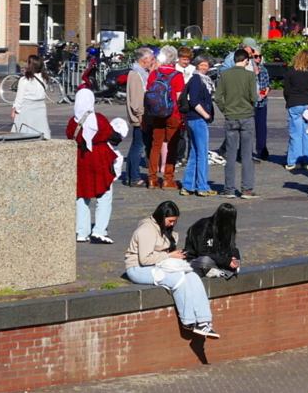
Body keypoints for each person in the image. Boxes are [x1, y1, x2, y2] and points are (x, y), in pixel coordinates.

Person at [125, 201, 220, 339]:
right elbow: (144, 259)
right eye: (170, 221)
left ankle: (204, 321)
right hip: (138, 269)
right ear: (161, 216)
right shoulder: (146, 230)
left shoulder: (164, 229)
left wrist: (174, 253)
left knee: (192, 276)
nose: (172, 224)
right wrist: (169, 255)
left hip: (158, 265)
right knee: (178, 279)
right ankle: (188, 321)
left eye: (174, 221)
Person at [67, 88, 118, 243]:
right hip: (100, 157)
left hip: (81, 159)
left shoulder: (73, 121)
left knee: (82, 195)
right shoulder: (99, 119)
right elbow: (110, 133)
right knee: (105, 193)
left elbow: (70, 136)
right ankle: (100, 230)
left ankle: (82, 231)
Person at [215, 48, 258, 199]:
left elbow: (218, 97)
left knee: (231, 155)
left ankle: (229, 189)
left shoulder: (224, 74)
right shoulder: (250, 75)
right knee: (246, 155)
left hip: (231, 116)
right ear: (246, 60)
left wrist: (225, 110)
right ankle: (246, 189)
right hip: (246, 116)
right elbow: (254, 97)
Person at [146, 46, 186, 190]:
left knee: (155, 146)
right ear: (174, 58)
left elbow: (148, 93)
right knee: (172, 146)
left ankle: (152, 178)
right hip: (173, 114)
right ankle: (168, 179)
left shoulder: (154, 74)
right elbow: (179, 97)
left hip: (156, 113)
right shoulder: (177, 75)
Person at [180, 55, 215, 198]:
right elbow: (194, 101)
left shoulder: (202, 80)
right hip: (197, 119)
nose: (204, 67)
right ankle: (202, 186)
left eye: (206, 65)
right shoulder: (196, 80)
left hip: (194, 119)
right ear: (196, 65)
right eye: (201, 65)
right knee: (202, 154)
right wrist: (206, 115)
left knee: (194, 153)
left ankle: (188, 186)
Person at [184, 203, 241, 279]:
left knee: (238, 252)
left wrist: (235, 261)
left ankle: (219, 271)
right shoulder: (203, 227)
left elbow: (232, 247)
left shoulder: (226, 230)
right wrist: (226, 261)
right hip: (196, 261)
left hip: (217, 260)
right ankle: (223, 271)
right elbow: (202, 252)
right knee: (206, 260)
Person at [125, 48, 155, 186]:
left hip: (142, 115)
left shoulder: (141, 72)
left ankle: (131, 176)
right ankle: (134, 176)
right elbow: (136, 98)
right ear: (144, 59)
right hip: (140, 117)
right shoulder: (136, 74)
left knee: (136, 146)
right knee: (138, 147)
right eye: (151, 59)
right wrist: (140, 115)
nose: (152, 61)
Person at [283, 50, 308, 171]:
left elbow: (286, 90)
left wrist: (289, 100)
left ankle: (293, 161)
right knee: (307, 133)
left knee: (295, 134)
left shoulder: (291, 71)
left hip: (294, 102)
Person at [11, 55, 51, 138]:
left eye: (27, 62)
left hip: (26, 108)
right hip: (40, 107)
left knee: (23, 130)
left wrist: (15, 109)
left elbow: (19, 97)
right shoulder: (44, 79)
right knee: (40, 128)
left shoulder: (24, 80)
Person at [251, 45, 270, 162]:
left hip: (262, 102)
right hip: (251, 103)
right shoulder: (248, 70)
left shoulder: (263, 69)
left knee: (262, 127)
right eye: (255, 56)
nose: (258, 58)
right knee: (248, 128)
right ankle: (245, 150)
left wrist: (267, 90)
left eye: (259, 56)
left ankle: (262, 149)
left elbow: (268, 83)